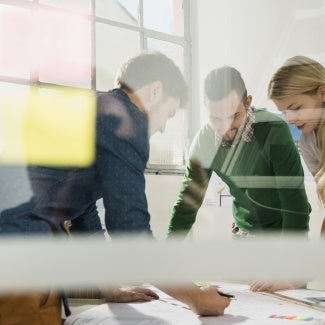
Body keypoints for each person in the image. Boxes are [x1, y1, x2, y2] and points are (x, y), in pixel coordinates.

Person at [0, 51, 230, 320]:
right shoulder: (126, 120)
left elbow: (83, 212)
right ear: (154, 91)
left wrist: (109, 287)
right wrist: (197, 297)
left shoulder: (94, 109)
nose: (163, 128)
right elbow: (130, 230)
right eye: (168, 114)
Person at [167, 65, 311, 292]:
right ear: (205, 107)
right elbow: (187, 203)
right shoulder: (204, 141)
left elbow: (295, 206)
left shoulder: (274, 131)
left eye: (233, 117)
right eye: (216, 118)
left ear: (248, 102)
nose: (225, 128)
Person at [268, 55, 325, 237]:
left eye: (296, 108)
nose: (290, 119)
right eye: (284, 112)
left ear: (322, 93)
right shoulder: (307, 142)